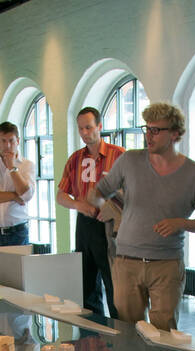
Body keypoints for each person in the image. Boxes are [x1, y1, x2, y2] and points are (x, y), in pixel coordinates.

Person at [93, 102, 195, 332]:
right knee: (128, 331)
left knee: (164, 333)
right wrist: (98, 204)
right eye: (147, 129)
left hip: (166, 264)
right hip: (127, 260)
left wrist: (180, 223)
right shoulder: (130, 161)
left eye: (156, 130)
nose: (149, 136)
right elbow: (101, 190)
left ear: (175, 134)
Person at [56, 107, 126, 316]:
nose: (85, 133)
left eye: (88, 127)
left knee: (115, 284)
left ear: (99, 127)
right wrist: (79, 205)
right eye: (80, 129)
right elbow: (60, 196)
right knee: (86, 284)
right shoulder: (75, 159)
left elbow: (137, 194)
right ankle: (92, 338)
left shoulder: (119, 155)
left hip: (112, 226)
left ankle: (120, 337)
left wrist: (112, 207)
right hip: (85, 224)